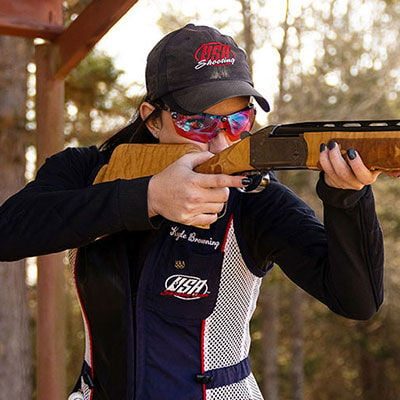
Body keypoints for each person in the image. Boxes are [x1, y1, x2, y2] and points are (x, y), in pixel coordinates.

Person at [0, 24, 387, 400]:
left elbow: (357, 300)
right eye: (199, 123)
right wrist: (148, 197)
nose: (221, 144)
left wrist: (347, 199)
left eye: (238, 122)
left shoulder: (254, 196)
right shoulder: (88, 170)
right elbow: (10, 231)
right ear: (152, 118)